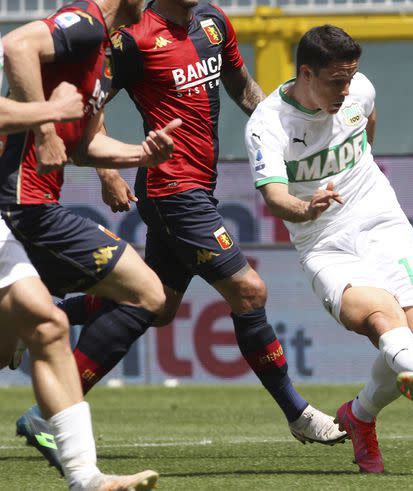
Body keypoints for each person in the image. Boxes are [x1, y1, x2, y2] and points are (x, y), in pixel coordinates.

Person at [35, 0, 344, 465]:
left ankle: (38, 352)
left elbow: (243, 90)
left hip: (199, 186)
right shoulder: (134, 37)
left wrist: (288, 140)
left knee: (154, 305)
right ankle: (297, 412)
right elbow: (89, 101)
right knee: (249, 291)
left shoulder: (213, 22)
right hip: (171, 189)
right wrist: (106, 172)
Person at [245, 25, 413, 474]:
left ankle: (359, 416)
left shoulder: (359, 90)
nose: (346, 89)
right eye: (336, 81)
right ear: (306, 74)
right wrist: (306, 208)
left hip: (380, 217)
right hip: (324, 240)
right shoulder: (268, 124)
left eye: (350, 78)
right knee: (379, 319)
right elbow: (274, 198)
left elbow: (367, 124)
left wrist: (362, 176)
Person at [1, 0, 183, 483]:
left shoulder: (104, 51)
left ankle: (87, 476)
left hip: (32, 208)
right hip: (23, 207)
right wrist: (44, 124)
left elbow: (85, 145)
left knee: (42, 328)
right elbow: (15, 45)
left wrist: (141, 155)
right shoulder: (81, 24)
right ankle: (84, 473)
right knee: (142, 296)